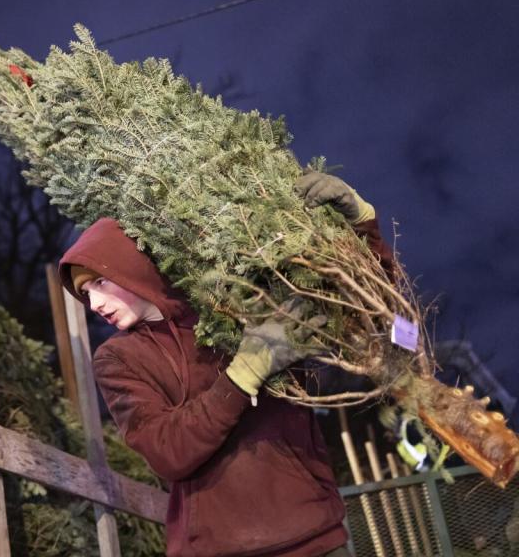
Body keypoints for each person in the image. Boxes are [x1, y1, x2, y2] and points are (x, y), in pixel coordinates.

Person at [59, 172, 393, 557]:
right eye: (85, 294)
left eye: (99, 283)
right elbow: (166, 450)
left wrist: (361, 222)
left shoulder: (229, 302)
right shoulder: (119, 359)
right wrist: (242, 375)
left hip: (317, 533)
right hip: (221, 548)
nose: (94, 304)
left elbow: (366, 314)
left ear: (127, 266)